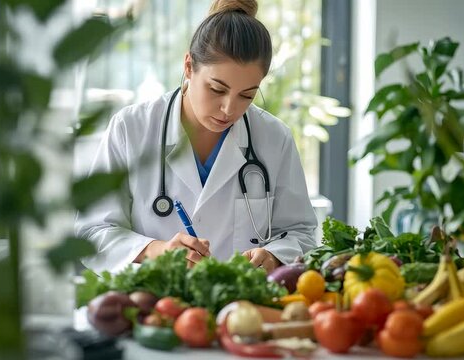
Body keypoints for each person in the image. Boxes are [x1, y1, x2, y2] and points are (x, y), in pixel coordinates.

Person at [75, 0, 317, 273]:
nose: (229, 109)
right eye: (216, 89)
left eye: (247, 95)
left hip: (243, 306)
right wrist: (157, 250)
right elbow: (92, 231)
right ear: (189, 66)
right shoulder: (131, 129)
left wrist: (274, 256)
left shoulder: (274, 138)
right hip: (156, 305)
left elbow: (301, 232)